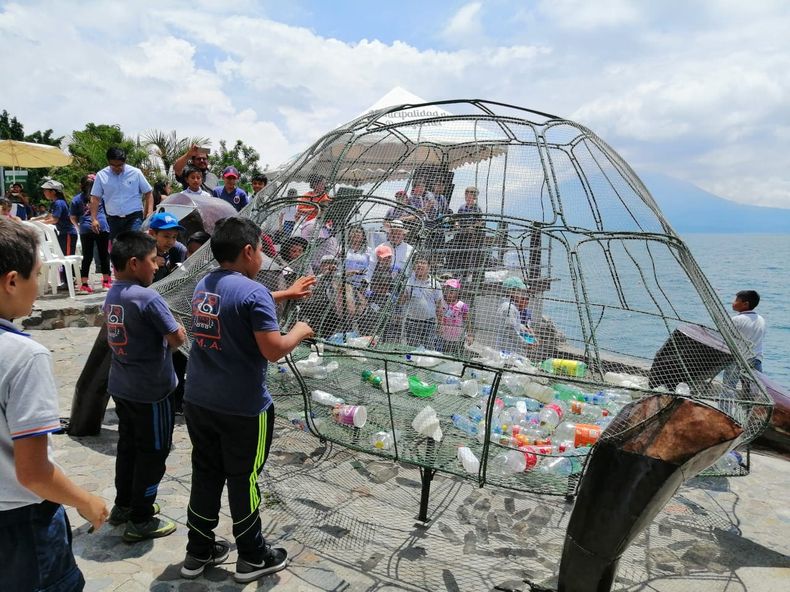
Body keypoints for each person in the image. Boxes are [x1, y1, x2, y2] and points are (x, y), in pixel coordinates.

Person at [181, 217, 314, 583]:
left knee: (206, 474)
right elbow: (273, 350)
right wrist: (299, 331)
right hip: (242, 408)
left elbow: (235, 303)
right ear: (248, 251)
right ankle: (253, 556)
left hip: (199, 401)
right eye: (261, 250)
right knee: (244, 479)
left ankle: (198, 550)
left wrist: (284, 295)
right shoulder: (253, 292)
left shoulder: (203, 285)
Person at [0, 218, 108, 590]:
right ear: (11, 281)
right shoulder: (23, 356)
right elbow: (32, 473)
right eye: (36, 275)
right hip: (21, 524)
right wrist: (85, 501)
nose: (39, 286)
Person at [103, 231, 186, 542]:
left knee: (128, 447)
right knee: (153, 453)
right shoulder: (147, 297)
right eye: (153, 261)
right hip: (152, 392)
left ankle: (123, 505)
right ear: (135, 263)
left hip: (122, 388)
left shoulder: (114, 293)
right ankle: (141, 517)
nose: (157, 266)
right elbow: (176, 339)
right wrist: (178, 329)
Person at [90, 147, 154, 239]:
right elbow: (95, 198)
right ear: (108, 162)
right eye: (113, 165)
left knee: (133, 244)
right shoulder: (101, 175)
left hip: (134, 217)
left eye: (120, 165)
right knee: (117, 248)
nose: (117, 168)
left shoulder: (135, 173)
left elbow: (148, 192)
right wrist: (94, 219)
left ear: (125, 161)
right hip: (113, 219)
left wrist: (149, 212)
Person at [71, 174, 112, 293]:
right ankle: (106, 282)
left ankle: (84, 284)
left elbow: (73, 217)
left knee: (87, 257)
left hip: (85, 228)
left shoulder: (76, 199)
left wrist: (79, 226)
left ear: (81, 186)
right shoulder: (100, 197)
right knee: (104, 255)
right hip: (101, 225)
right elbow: (108, 210)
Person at [400, 256, 443, 347]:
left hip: (429, 322)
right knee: (412, 348)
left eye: (423, 263)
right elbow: (401, 301)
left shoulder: (435, 284)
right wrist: (401, 289)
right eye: (417, 262)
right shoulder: (408, 281)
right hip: (412, 321)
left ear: (429, 267)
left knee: (428, 349)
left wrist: (440, 324)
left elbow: (439, 306)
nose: (420, 265)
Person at [727, 290, 766, 379]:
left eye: (736, 300)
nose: (733, 303)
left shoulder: (737, 319)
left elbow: (726, 337)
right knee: (753, 386)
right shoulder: (761, 320)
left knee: (729, 385)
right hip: (756, 359)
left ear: (745, 304)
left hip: (739, 359)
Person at [495, 277, 536, 353]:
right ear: (513, 292)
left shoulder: (510, 306)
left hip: (509, 349)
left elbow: (511, 325)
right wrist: (526, 344)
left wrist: (522, 327)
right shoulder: (509, 308)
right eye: (520, 291)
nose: (522, 294)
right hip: (508, 351)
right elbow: (510, 330)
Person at [147, 212, 188, 283]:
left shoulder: (178, 250)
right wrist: (149, 263)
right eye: (166, 236)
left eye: (174, 237)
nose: (171, 241)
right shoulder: (141, 250)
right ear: (152, 234)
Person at [437, 278, 473, 355]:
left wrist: (469, 335)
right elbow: (438, 316)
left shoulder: (462, 305)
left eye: (452, 291)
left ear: (457, 292)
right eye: (447, 290)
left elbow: (467, 321)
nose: (449, 293)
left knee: (455, 356)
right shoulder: (441, 303)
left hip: (457, 338)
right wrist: (439, 327)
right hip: (443, 336)